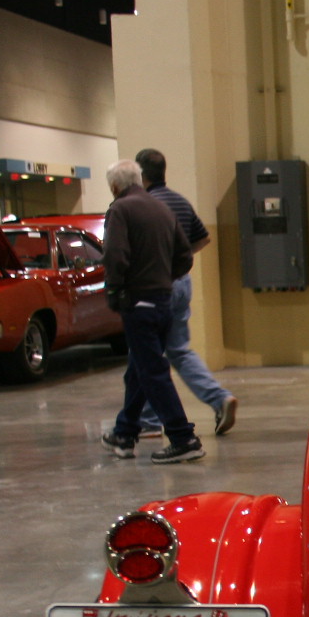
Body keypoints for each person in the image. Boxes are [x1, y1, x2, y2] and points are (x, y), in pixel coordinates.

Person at [99, 159, 202, 464]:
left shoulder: (120, 209)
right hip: (163, 300)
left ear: (115, 186)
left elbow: (115, 254)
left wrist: (115, 290)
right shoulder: (162, 208)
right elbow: (185, 255)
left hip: (138, 302)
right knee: (139, 369)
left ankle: (183, 437)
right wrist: (164, 278)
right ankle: (125, 433)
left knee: (153, 372)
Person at [133, 148, 237, 436]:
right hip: (182, 283)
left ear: (142, 175)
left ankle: (150, 421)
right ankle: (219, 398)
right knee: (178, 350)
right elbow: (203, 238)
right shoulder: (179, 200)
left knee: (146, 353)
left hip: (157, 287)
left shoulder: (147, 205)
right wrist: (180, 261)